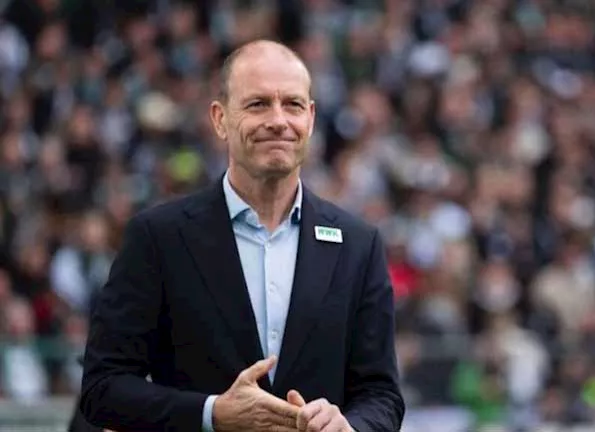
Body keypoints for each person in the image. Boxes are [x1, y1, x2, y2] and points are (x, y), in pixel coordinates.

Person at [79, 39, 404, 432]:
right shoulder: (158, 238)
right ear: (220, 119)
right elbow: (102, 389)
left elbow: (382, 395)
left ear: (311, 118)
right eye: (258, 104)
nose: (278, 120)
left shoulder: (358, 245)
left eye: (293, 104)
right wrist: (212, 413)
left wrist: (350, 426)